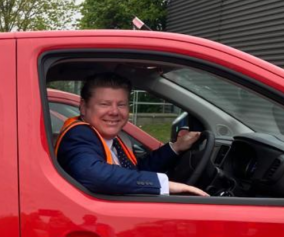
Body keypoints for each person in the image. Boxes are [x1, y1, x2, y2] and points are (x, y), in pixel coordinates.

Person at [56, 73, 208, 196]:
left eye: (121, 104)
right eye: (104, 104)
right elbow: (93, 175)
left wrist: (176, 147)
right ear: (83, 107)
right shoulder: (78, 135)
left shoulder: (114, 139)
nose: (114, 112)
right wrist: (163, 184)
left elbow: (135, 171)